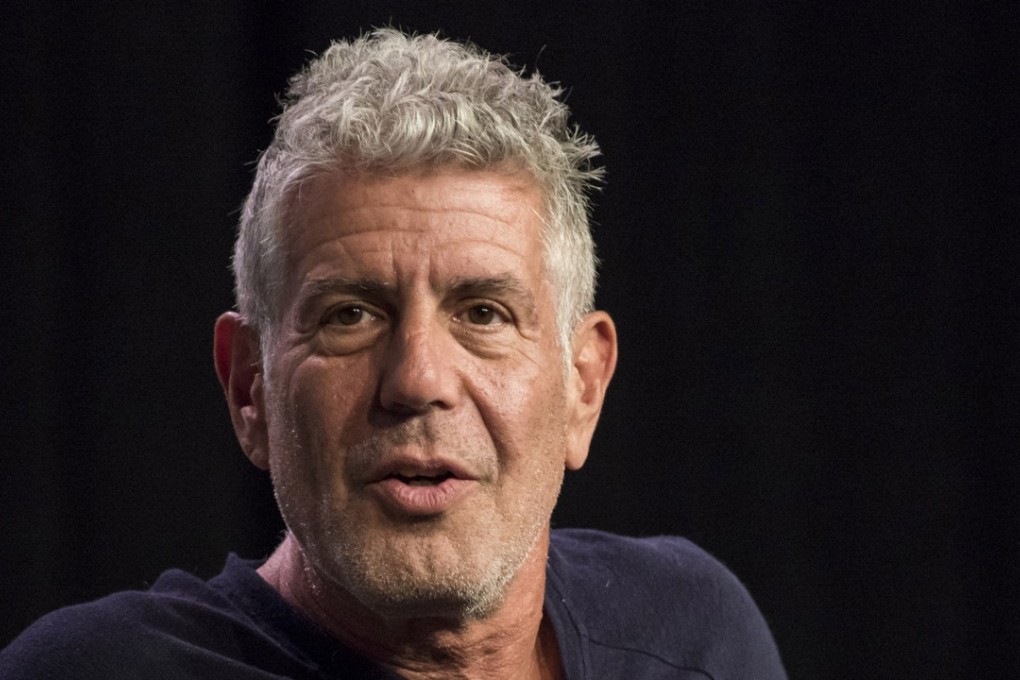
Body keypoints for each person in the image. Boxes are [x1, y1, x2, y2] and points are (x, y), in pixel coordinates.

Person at [0, 29, 786, 679]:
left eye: (483, 313)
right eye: (350, 316)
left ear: (582, 386)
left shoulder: (696, 639)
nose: (417, 380)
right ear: (250, 389)